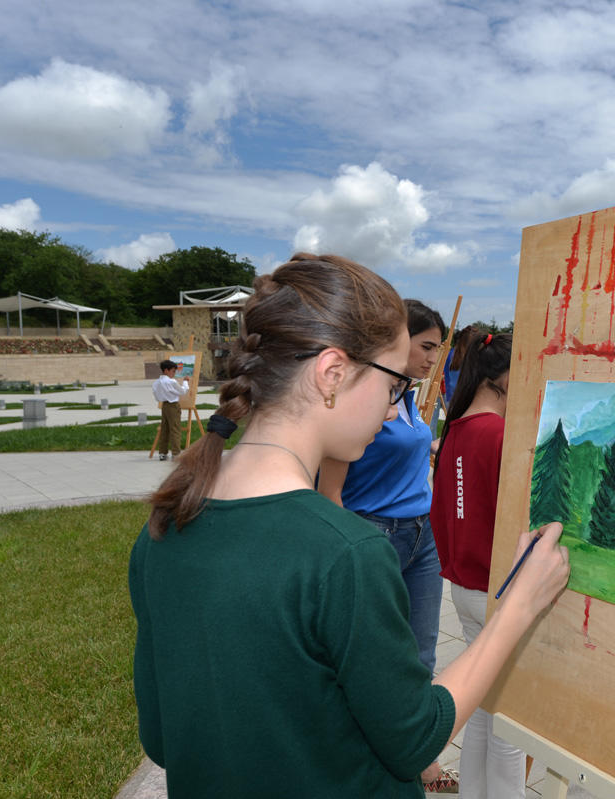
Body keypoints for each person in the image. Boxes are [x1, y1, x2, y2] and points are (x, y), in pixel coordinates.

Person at [129, 253, 569, 798]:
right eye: (392, 387)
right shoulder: (345, 553)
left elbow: (162, 739)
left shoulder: (167, 521)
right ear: (332, 374)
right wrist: (519, 607)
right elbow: (413, 739)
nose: (392, 409)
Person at [315, 298, 449, 787]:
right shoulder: (360, 401)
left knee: (422, 651)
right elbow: (330, 491)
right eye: (426, 346)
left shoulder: (411, 397)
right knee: (374, 659)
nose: (433, 357)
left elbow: (412, 451)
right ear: (396, 341)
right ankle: (375, 753)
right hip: (374, 533)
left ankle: (419, 755)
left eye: (438, 348)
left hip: (421, 533)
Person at [430, 331, 525, 799]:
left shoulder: (456, 429)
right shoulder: (500, 434)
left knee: (485, 713)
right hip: (498, 591)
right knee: (509, 723)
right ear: (497, 378)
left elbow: (449, 510)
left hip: (466, 587)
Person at [151, 359, 189, 460]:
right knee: (175, 429)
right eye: (173, 371)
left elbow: (156, 396)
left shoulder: (156, 383)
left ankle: (162, 453)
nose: (174, 373)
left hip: (164, 406)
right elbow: (182, 391)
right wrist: (185, 382)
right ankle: (176, 453)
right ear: (166, 370)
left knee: (165, 429)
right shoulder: (171, 381)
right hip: (173, 405)